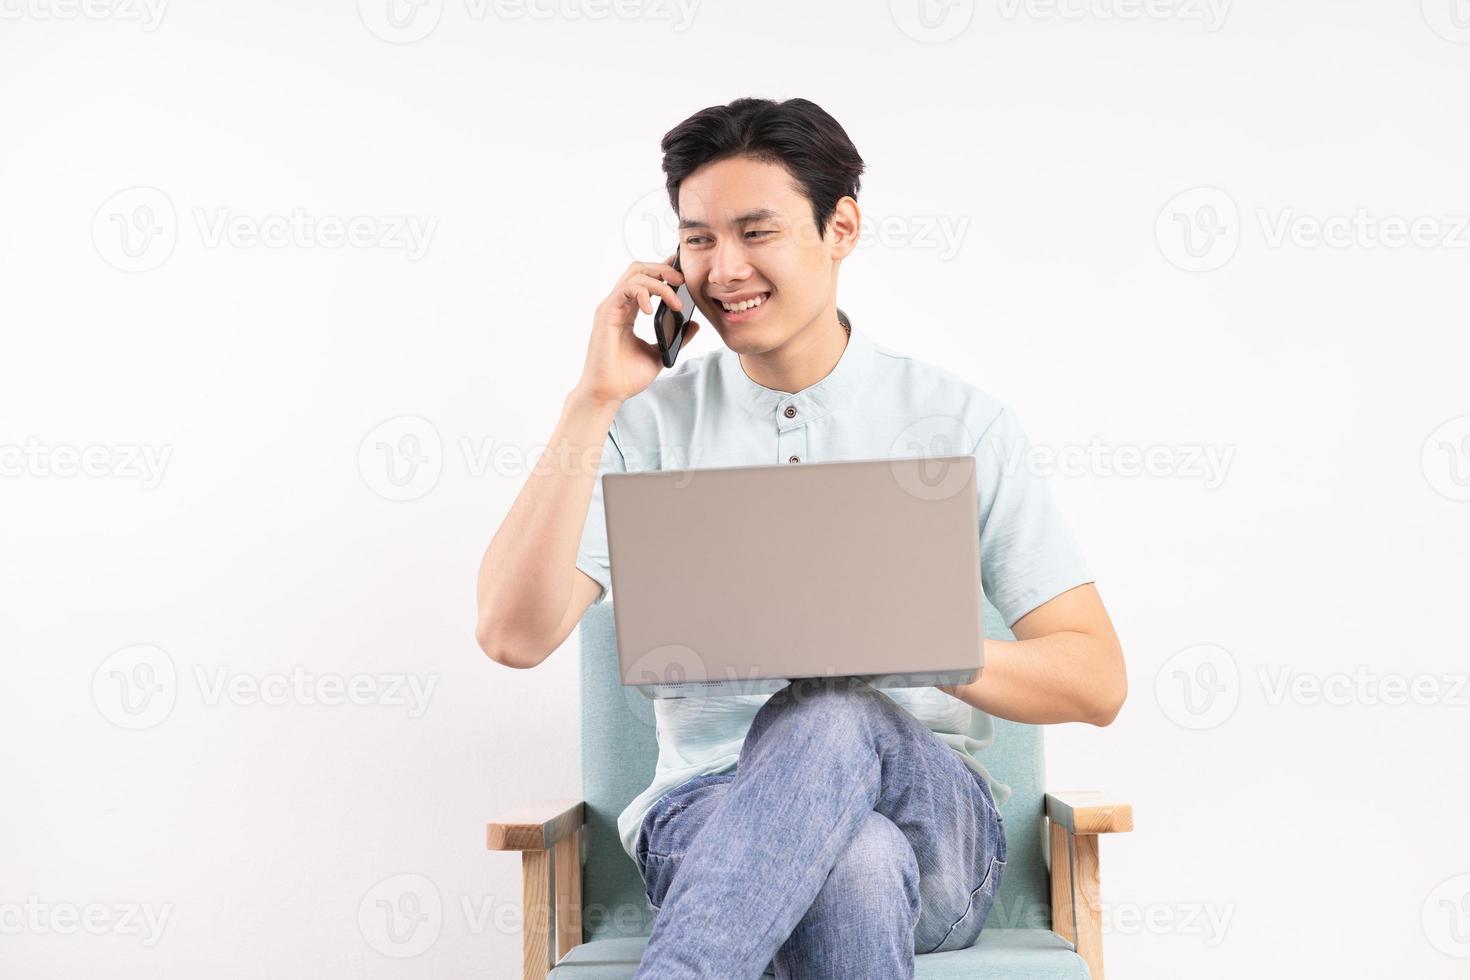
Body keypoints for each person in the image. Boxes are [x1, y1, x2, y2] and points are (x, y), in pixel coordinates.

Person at [474, 96, 1127, 979]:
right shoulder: (645, 426)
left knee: (832, 710)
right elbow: (512, 634)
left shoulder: (955, 422)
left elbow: (1096, 680)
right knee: (852, 863)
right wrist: (591, 402)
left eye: (756, 231)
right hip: (709, 824)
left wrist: (921, 650)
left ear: (841, 227)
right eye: (698, 238)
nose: (723, 268)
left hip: (936, 837)